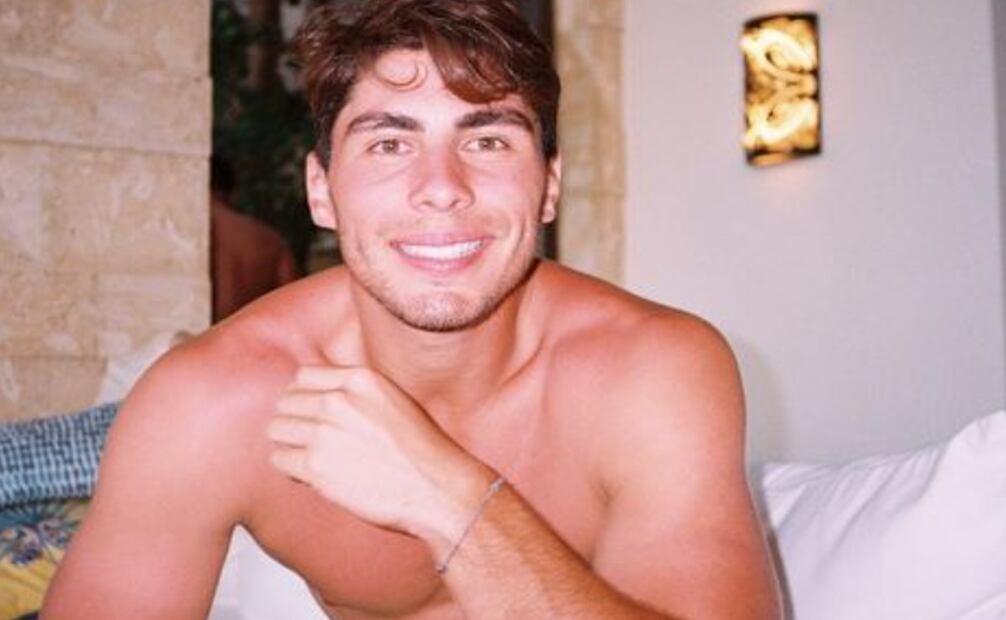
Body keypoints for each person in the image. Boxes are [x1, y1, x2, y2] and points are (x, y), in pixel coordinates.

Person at [43, 1, 781, 617]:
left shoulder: (650, 372)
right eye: (390, 143)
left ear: (549, 186)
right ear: (321, 191)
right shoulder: (210, 401)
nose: (442, 188)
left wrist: (454, 503)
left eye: (487, 139)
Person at [210, 154, 299, 322]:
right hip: (243, 334)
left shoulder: (172, 232)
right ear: (232, 192)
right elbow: (293, 309)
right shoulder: (271, 242)